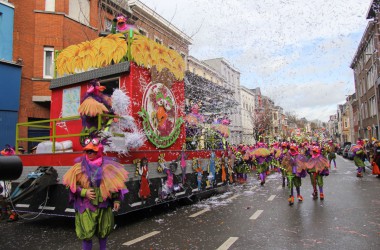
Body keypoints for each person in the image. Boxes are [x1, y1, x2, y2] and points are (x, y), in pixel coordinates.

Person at [62, 131, 128, 250]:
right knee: (87, 234)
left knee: (104, 231)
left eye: (92, 151)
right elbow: (70, 185)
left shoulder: (108, 167)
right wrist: (84, 192)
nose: (90, 153)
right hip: (86, 206)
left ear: (99, 151)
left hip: (103, 205)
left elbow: (115, 185)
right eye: (87, 151)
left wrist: (117, 200)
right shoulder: (78, 168)